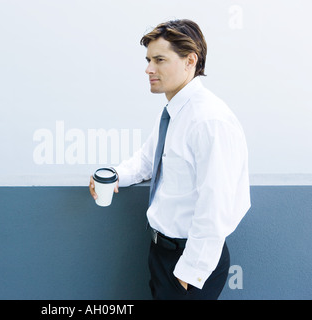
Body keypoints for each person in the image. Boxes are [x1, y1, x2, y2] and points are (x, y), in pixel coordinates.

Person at [89, 19, 251, 300]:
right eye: (149, 59)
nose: (148, 69)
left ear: (190, 61)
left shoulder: (209, 121)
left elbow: (216, 206)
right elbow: (147, 161)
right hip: (162, 254)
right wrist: (115, 174)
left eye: (160, 60)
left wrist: (188, 274)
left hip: (189, 263)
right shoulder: (175, 110)